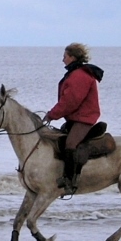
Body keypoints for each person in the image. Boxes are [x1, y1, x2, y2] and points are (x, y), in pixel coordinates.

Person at [44, 43, 104, 192]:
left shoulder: (79, 75)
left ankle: (70, 180)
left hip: (84, 118)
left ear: (72, 57)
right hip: (75, 118)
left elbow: (70, 102)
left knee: (70, 144)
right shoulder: (76, 73)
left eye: (65, 56)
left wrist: (51, 115)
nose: (62, 60)